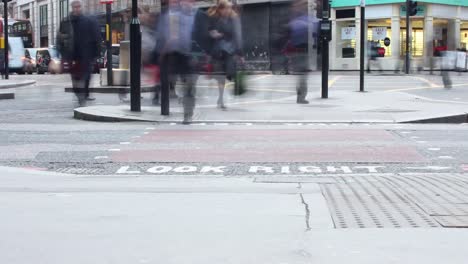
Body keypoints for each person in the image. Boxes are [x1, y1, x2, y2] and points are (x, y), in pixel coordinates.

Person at [155, 0, 201, 123]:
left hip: (189, 56)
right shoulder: (167, 17)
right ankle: (166, 106)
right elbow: (161, 37)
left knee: (189, 86)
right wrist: (162, 52)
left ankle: (188, 114)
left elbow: (200, 36)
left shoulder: (196, 16)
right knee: (168, 83)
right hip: (172, 55)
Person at [56, 0, 101, 106]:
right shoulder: (66, 21)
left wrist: (97, 52)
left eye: (79, 7)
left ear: (82, 7)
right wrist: (61, 52)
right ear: (72, 8)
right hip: (72, 54)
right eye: (75, 7)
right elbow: (60, 38)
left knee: (86, 76)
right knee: (75, 77)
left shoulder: (89, 20)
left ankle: (83, 94)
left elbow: (97, 37)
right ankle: (79, 94)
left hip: (87, 54)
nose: (77, 9)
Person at [207, 0, 243, 109]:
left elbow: (238, 36)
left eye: (229, 8)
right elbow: (208, 32)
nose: (227, 10)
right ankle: (221, 98)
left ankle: (223, 96)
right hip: (218, 52)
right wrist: (213, 34)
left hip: (230, 52)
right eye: (225, 8)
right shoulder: (214, 18)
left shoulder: (234, 19)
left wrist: (240, 53)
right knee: (220, 76)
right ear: (220, 9)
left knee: (229, 75)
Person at [287, 0, 318, 104]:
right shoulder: (302, 20)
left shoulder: (296, 19)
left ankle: (300, 97)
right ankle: (301, 98)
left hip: (297, 51)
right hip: (301, 52)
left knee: (301, 76)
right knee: (303, 76)